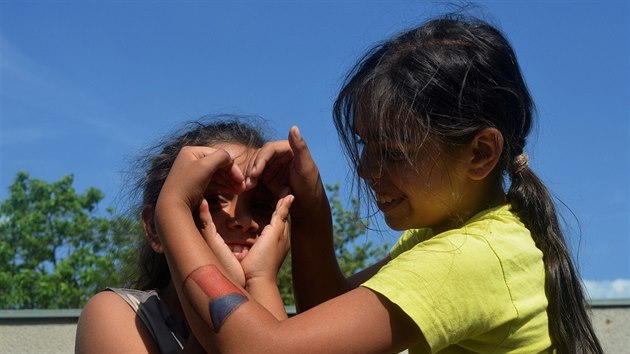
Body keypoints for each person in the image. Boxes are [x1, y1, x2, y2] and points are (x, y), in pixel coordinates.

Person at [154, 13, 603, 353]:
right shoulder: (449, 239)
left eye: (391, 152)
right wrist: (310, 207)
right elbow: (327, 315)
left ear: (480, 153)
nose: (367, 169)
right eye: (364, 145)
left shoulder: (466, 258)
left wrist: (173, 208)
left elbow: (268, 349)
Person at [75, 117, 293, 353]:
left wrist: (260, 280)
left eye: (262, 208)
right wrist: (220, 289)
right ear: (155, 228)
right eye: (212, 202)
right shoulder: (117, 313)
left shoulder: (292, 323)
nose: (243, 221)